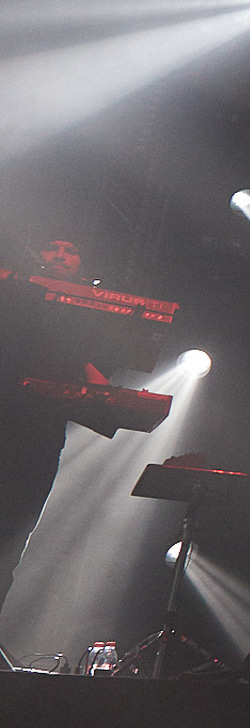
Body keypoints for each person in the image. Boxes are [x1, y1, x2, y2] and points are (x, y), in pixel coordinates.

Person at [0, 240, 101, 621]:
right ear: (35, 254)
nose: (59, 255)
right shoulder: (12, 294)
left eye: (70, 250)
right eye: (52, 247)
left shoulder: (83, 316)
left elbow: (88, 369)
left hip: (40, 437)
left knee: (12, 541)